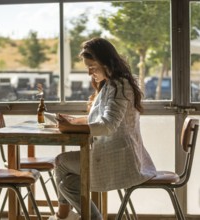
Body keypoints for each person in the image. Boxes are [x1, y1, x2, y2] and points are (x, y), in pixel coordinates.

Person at [48, 37, 157, 220]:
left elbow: (108, 125)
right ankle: (70, 215)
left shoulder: (120, 85)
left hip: (120, 158)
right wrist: (74, 121)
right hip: (114, 153)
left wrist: (72, 126)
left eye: (92, 67)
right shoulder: (111, 84)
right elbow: (101, 119)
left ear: (106, 63)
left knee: (61, 162)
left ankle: (63, 216)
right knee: (68, 184)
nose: (90, 73)